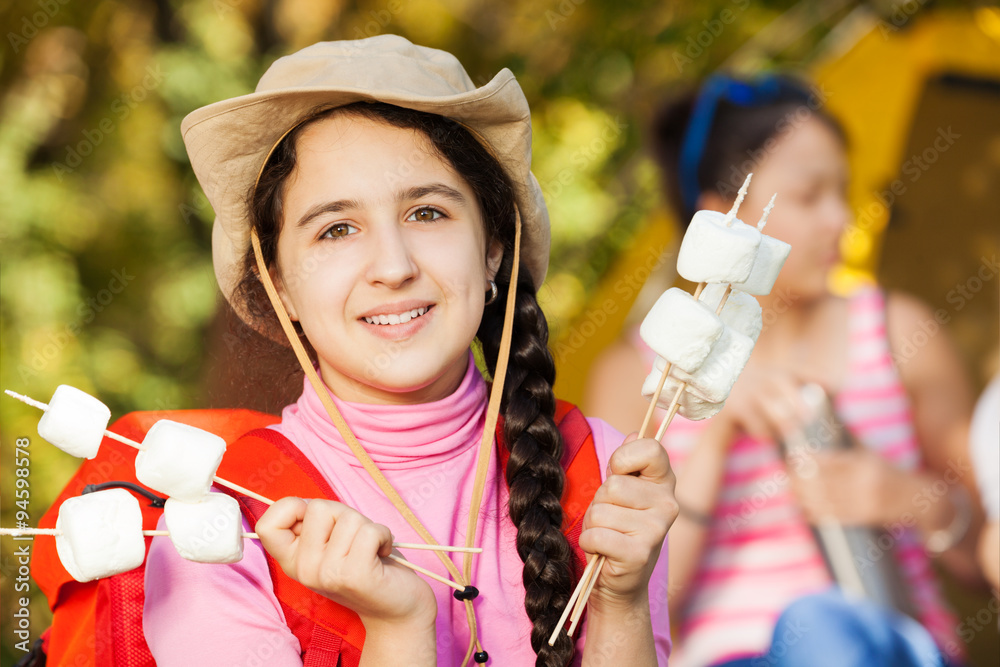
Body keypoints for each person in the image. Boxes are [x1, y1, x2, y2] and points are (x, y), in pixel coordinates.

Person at [140, 36, 676, 667]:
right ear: (279, 282)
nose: (393, 268)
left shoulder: (606, 470)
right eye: (336, 229)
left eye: (427, 213)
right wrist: (397, 629)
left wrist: (621, 600)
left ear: (493, 250)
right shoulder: (216, 526)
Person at [585, 73, 983, 667]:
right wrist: (716, 420)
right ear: (722, 215)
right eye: (808, 196)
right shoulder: (635, 376)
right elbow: (631, 600)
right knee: (816, 630)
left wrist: (911, 497)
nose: (839, 220)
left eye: (842, 192)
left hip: (896, 646)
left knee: (830, 632)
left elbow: (985, 559)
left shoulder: (899, 333)